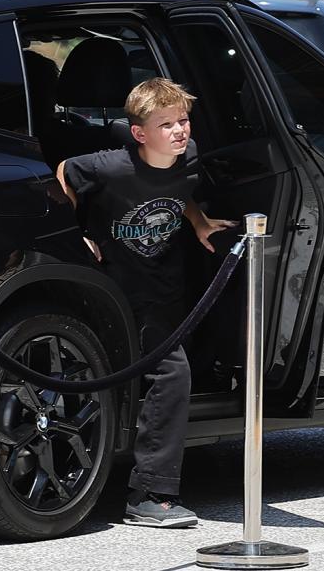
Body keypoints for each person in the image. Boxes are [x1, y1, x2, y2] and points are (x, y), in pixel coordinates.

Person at [57, 78, 236, 528]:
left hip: (166, 287)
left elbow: (181, 191)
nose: (180, 132)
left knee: (171, 369)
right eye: (166, 125)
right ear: (139, 133)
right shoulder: (111, 167)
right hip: (124, 290)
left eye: (183, 121)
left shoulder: (188, 158)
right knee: (172, 373)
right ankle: (150, 495)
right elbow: (63, 173)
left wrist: (198, 222)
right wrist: (75, 231)